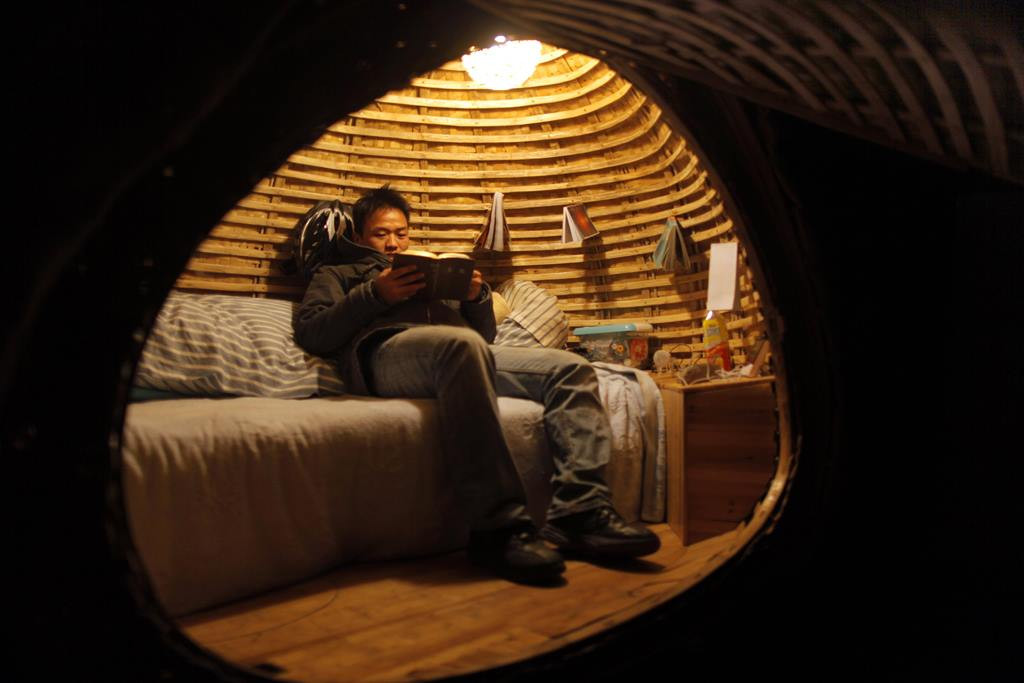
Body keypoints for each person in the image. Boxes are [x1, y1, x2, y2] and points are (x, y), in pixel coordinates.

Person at [293, 185, 660, 584]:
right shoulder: (339, 273)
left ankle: (580, 512)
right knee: (461, 346)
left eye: (401, 233)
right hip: (385, 355)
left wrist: (475, 297)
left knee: (570, 367)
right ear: (360, 236)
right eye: (381, 234)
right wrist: (375, 294)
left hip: (461, 351)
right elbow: (314, 333)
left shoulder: (429, 273)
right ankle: (497, 530)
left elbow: (483, 339)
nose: (394, 243)